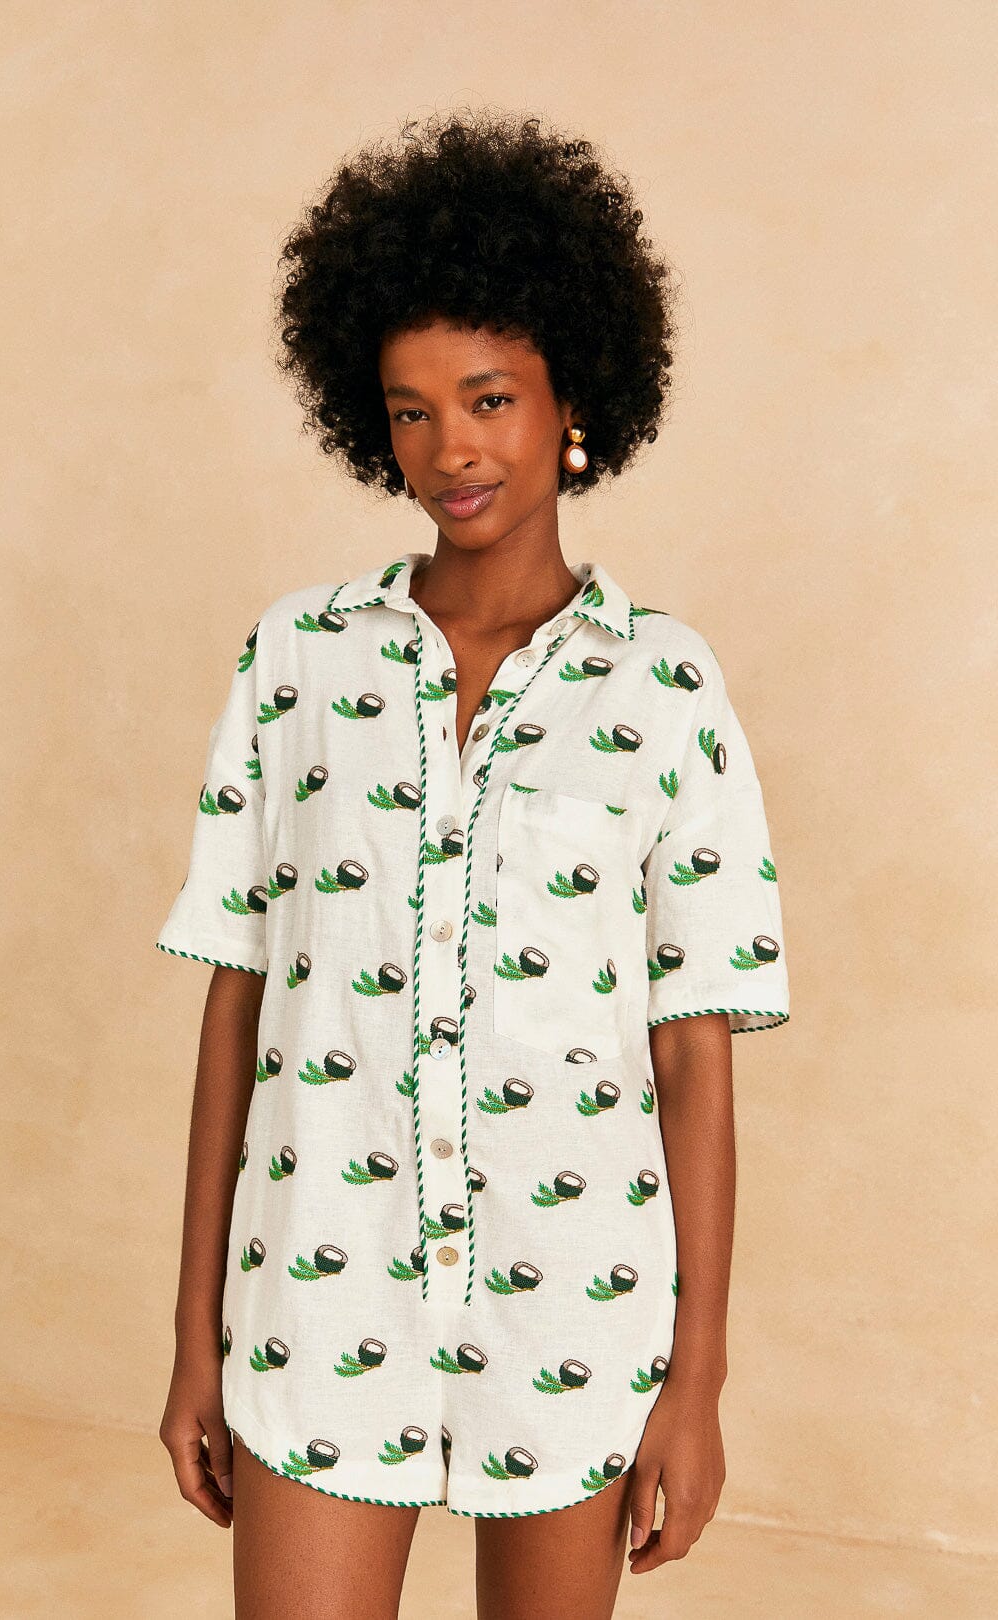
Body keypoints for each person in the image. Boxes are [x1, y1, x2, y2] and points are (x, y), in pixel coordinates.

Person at [155, 108, 790, 1620]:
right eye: (410, 411)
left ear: (576, 398)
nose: (451, 450)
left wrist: (696, 1383)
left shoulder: (665, 688)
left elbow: (691, 1054)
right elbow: (239, 1009)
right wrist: (195, 1343)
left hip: (577, 1300)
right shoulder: (299, 661)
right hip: (318, 1290)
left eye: (490, 399)